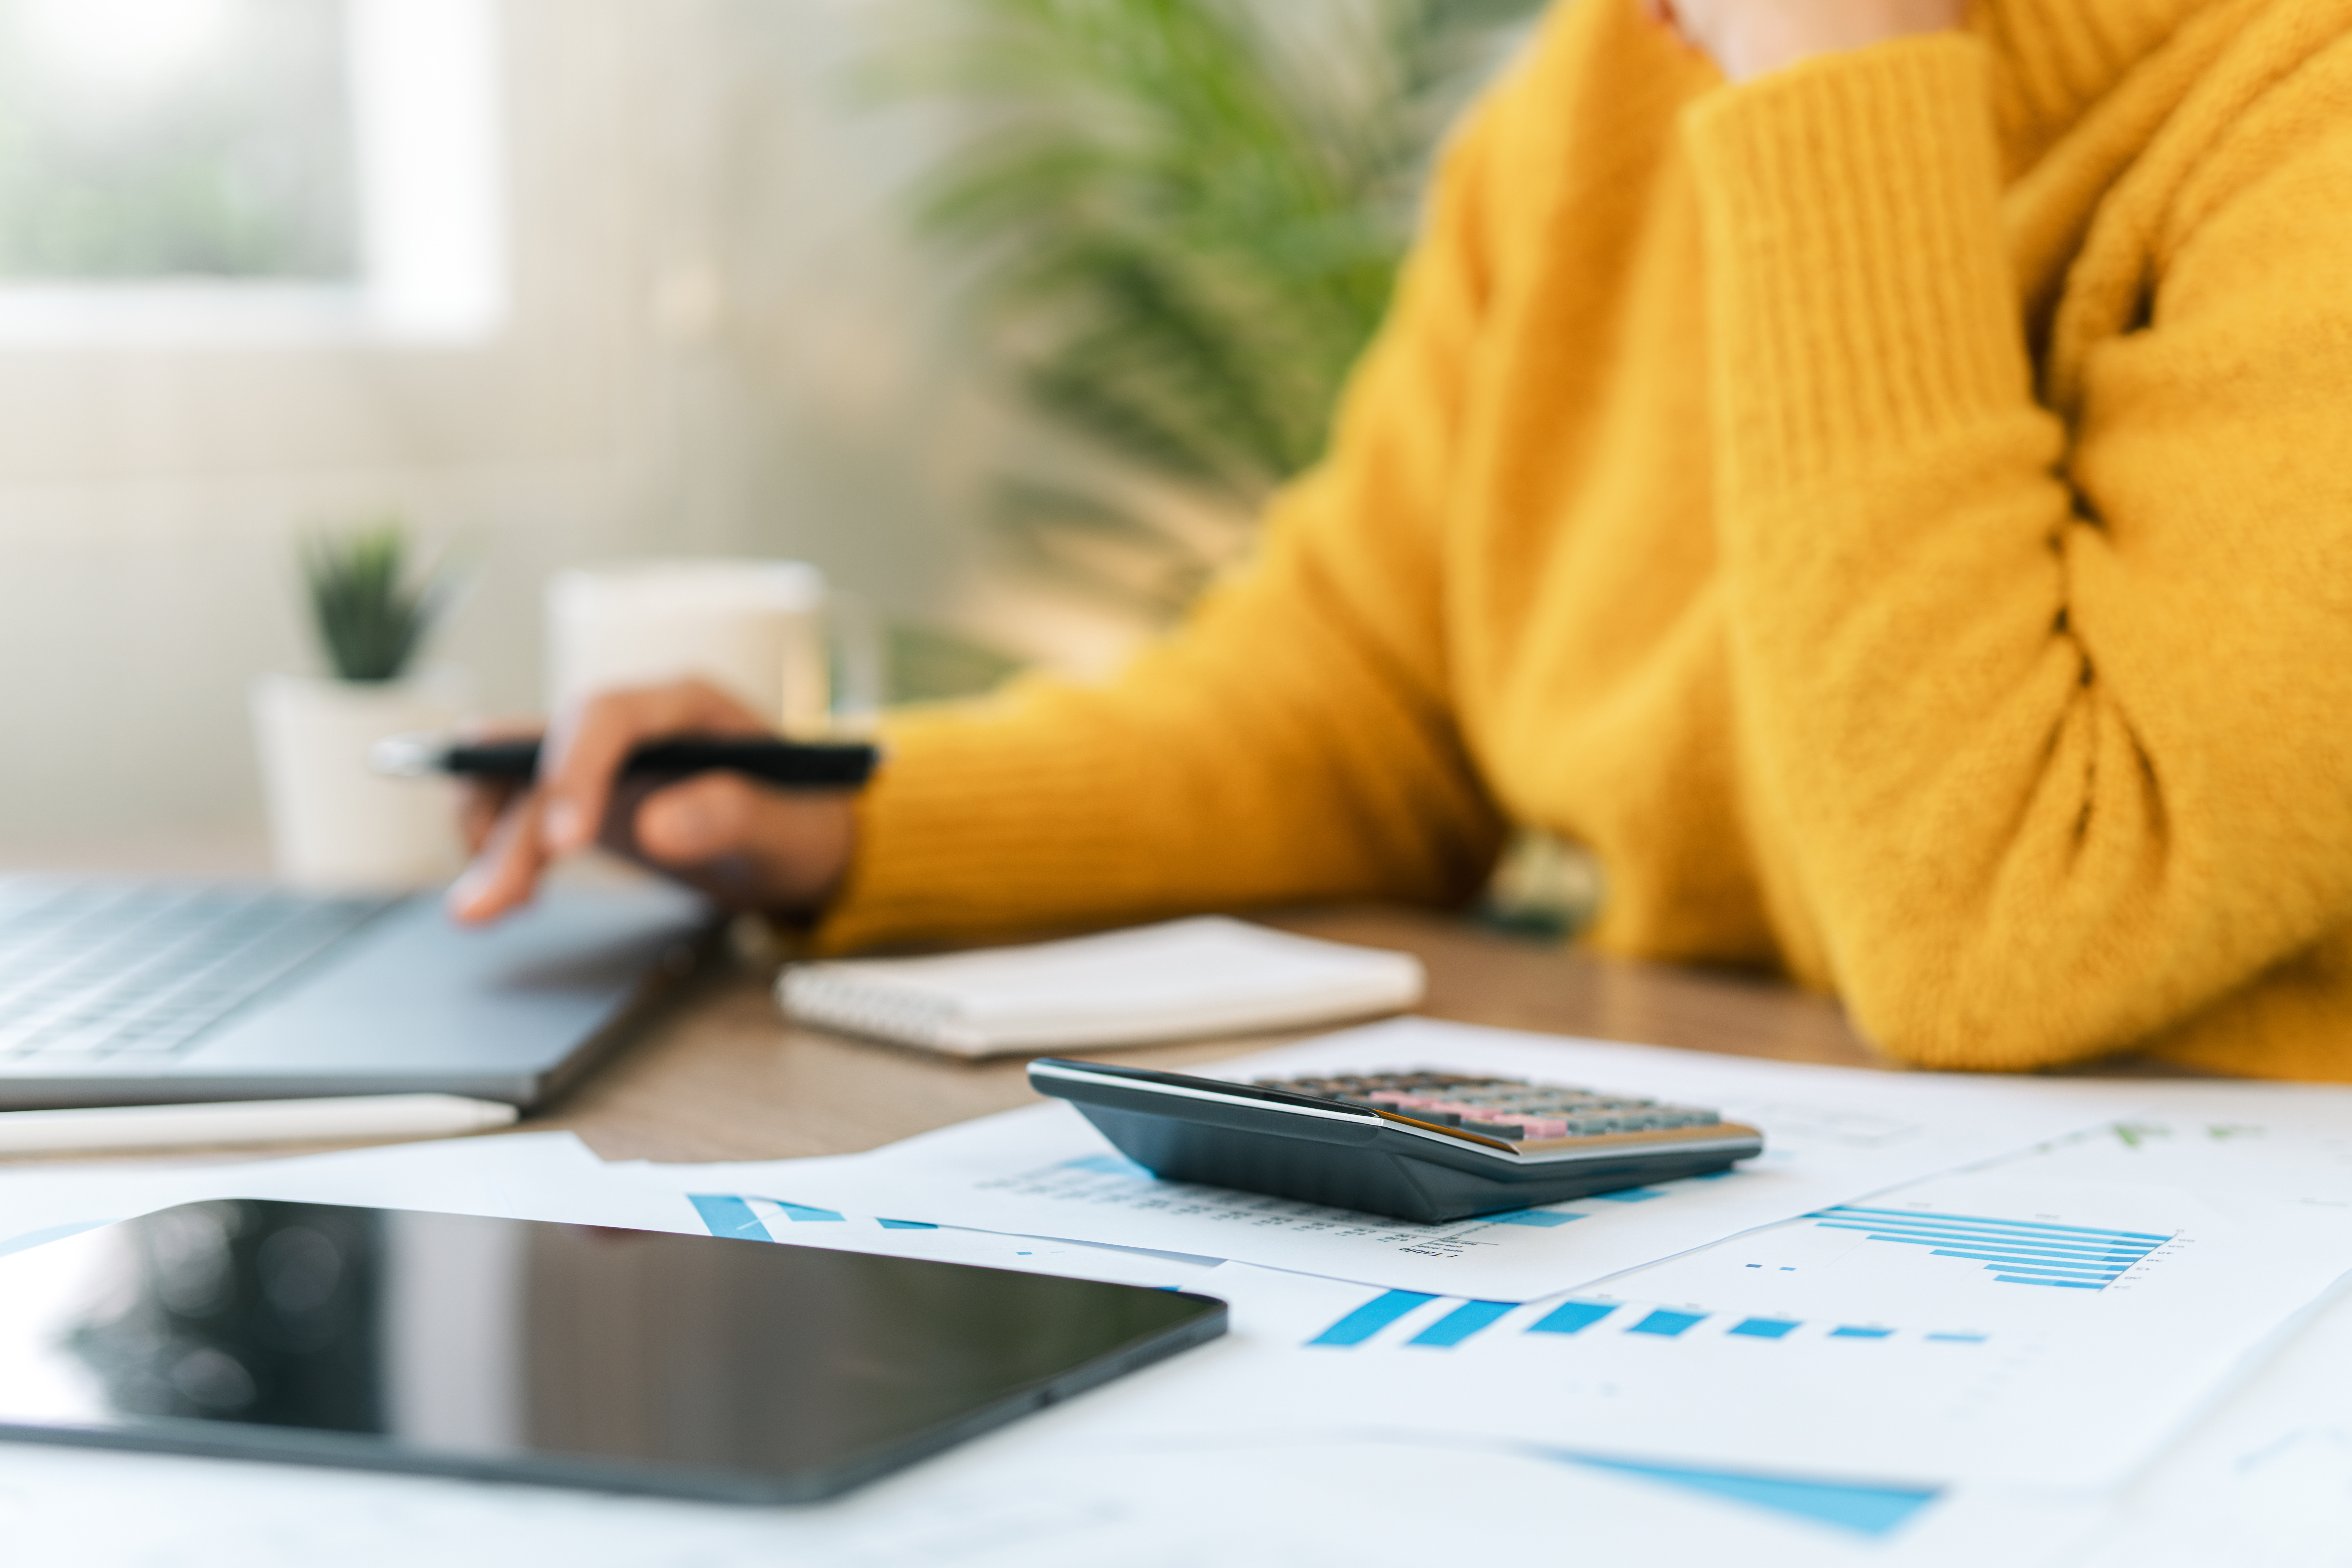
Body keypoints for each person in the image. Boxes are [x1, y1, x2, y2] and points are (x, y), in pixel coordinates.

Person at [452, 0, 2352, 1080]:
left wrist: (1836, 79)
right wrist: (852, 817)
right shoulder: (1593, 107)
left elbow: (2010, 930)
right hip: (1787, 1172)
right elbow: (1357, 701)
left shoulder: (2298, 100)